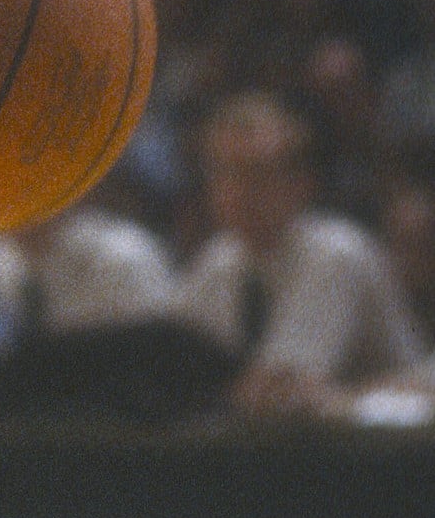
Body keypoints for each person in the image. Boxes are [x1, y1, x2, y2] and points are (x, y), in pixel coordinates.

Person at [176, 90, 424, 417]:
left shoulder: (337, 251)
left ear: (301, 183)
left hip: (393, 447)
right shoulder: (218, 261)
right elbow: (173, 371)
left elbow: (280, 390)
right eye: (224, 172)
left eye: (257, 172)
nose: (238, 191)